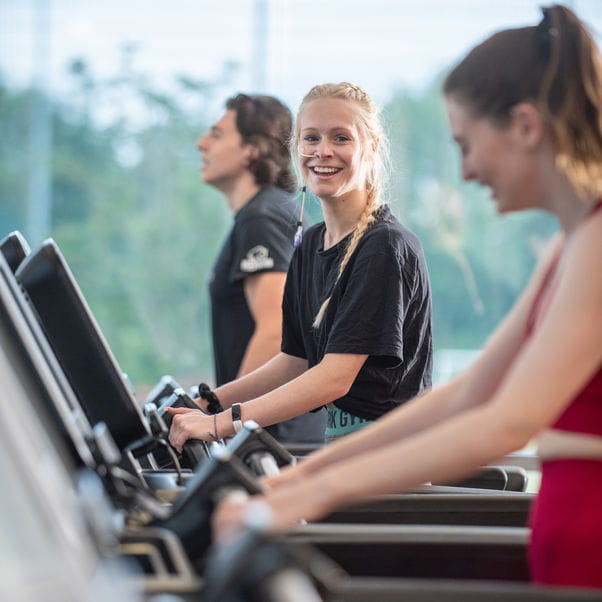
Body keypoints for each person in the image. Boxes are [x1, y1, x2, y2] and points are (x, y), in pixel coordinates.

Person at [211, 5, 602, 590]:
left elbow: (505, 422)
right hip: (563, 543)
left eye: (468, 145)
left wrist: (309, 491)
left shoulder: (595, 246)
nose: (465, 172)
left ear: (525, 126)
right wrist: (294, 482)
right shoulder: (570, 248)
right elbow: (470, 392)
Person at [168, 82, 433, 447]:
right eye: (311, 139)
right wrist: (209, 402)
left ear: (371, 147)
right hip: (342, 457)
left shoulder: (384, 246)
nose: (322, 151)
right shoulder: (309, 243)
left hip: (389, 463)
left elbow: (333, 379)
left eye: (341, 138)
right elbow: (294, 359)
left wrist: (221, 424)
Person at [196, 93, 325, 444]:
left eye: (217, 135)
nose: (201, 144)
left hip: (275, 438)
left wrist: (222, 423)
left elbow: (275, 330)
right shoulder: (268, 212)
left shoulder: (263, 216)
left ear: (252, 149)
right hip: (277, 432)